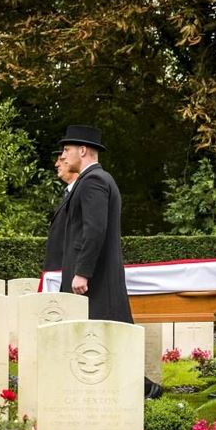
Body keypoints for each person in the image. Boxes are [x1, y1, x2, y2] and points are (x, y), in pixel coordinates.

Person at [56, 124, 163, 398]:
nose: (64, 156)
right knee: (104, 332)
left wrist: (82, 272)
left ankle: (145, 389)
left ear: (83, 150)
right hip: (97, 276)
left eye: (67, 150)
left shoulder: (93, 181)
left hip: (96, 278)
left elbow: (94, 229)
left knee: (107, 334)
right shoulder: (93, 179)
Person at [42, 151, 77, 272]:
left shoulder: (82, 193)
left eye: (61, 159)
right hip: (59, 271)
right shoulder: (68, 193)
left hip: (69, 271)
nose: (56, 164)